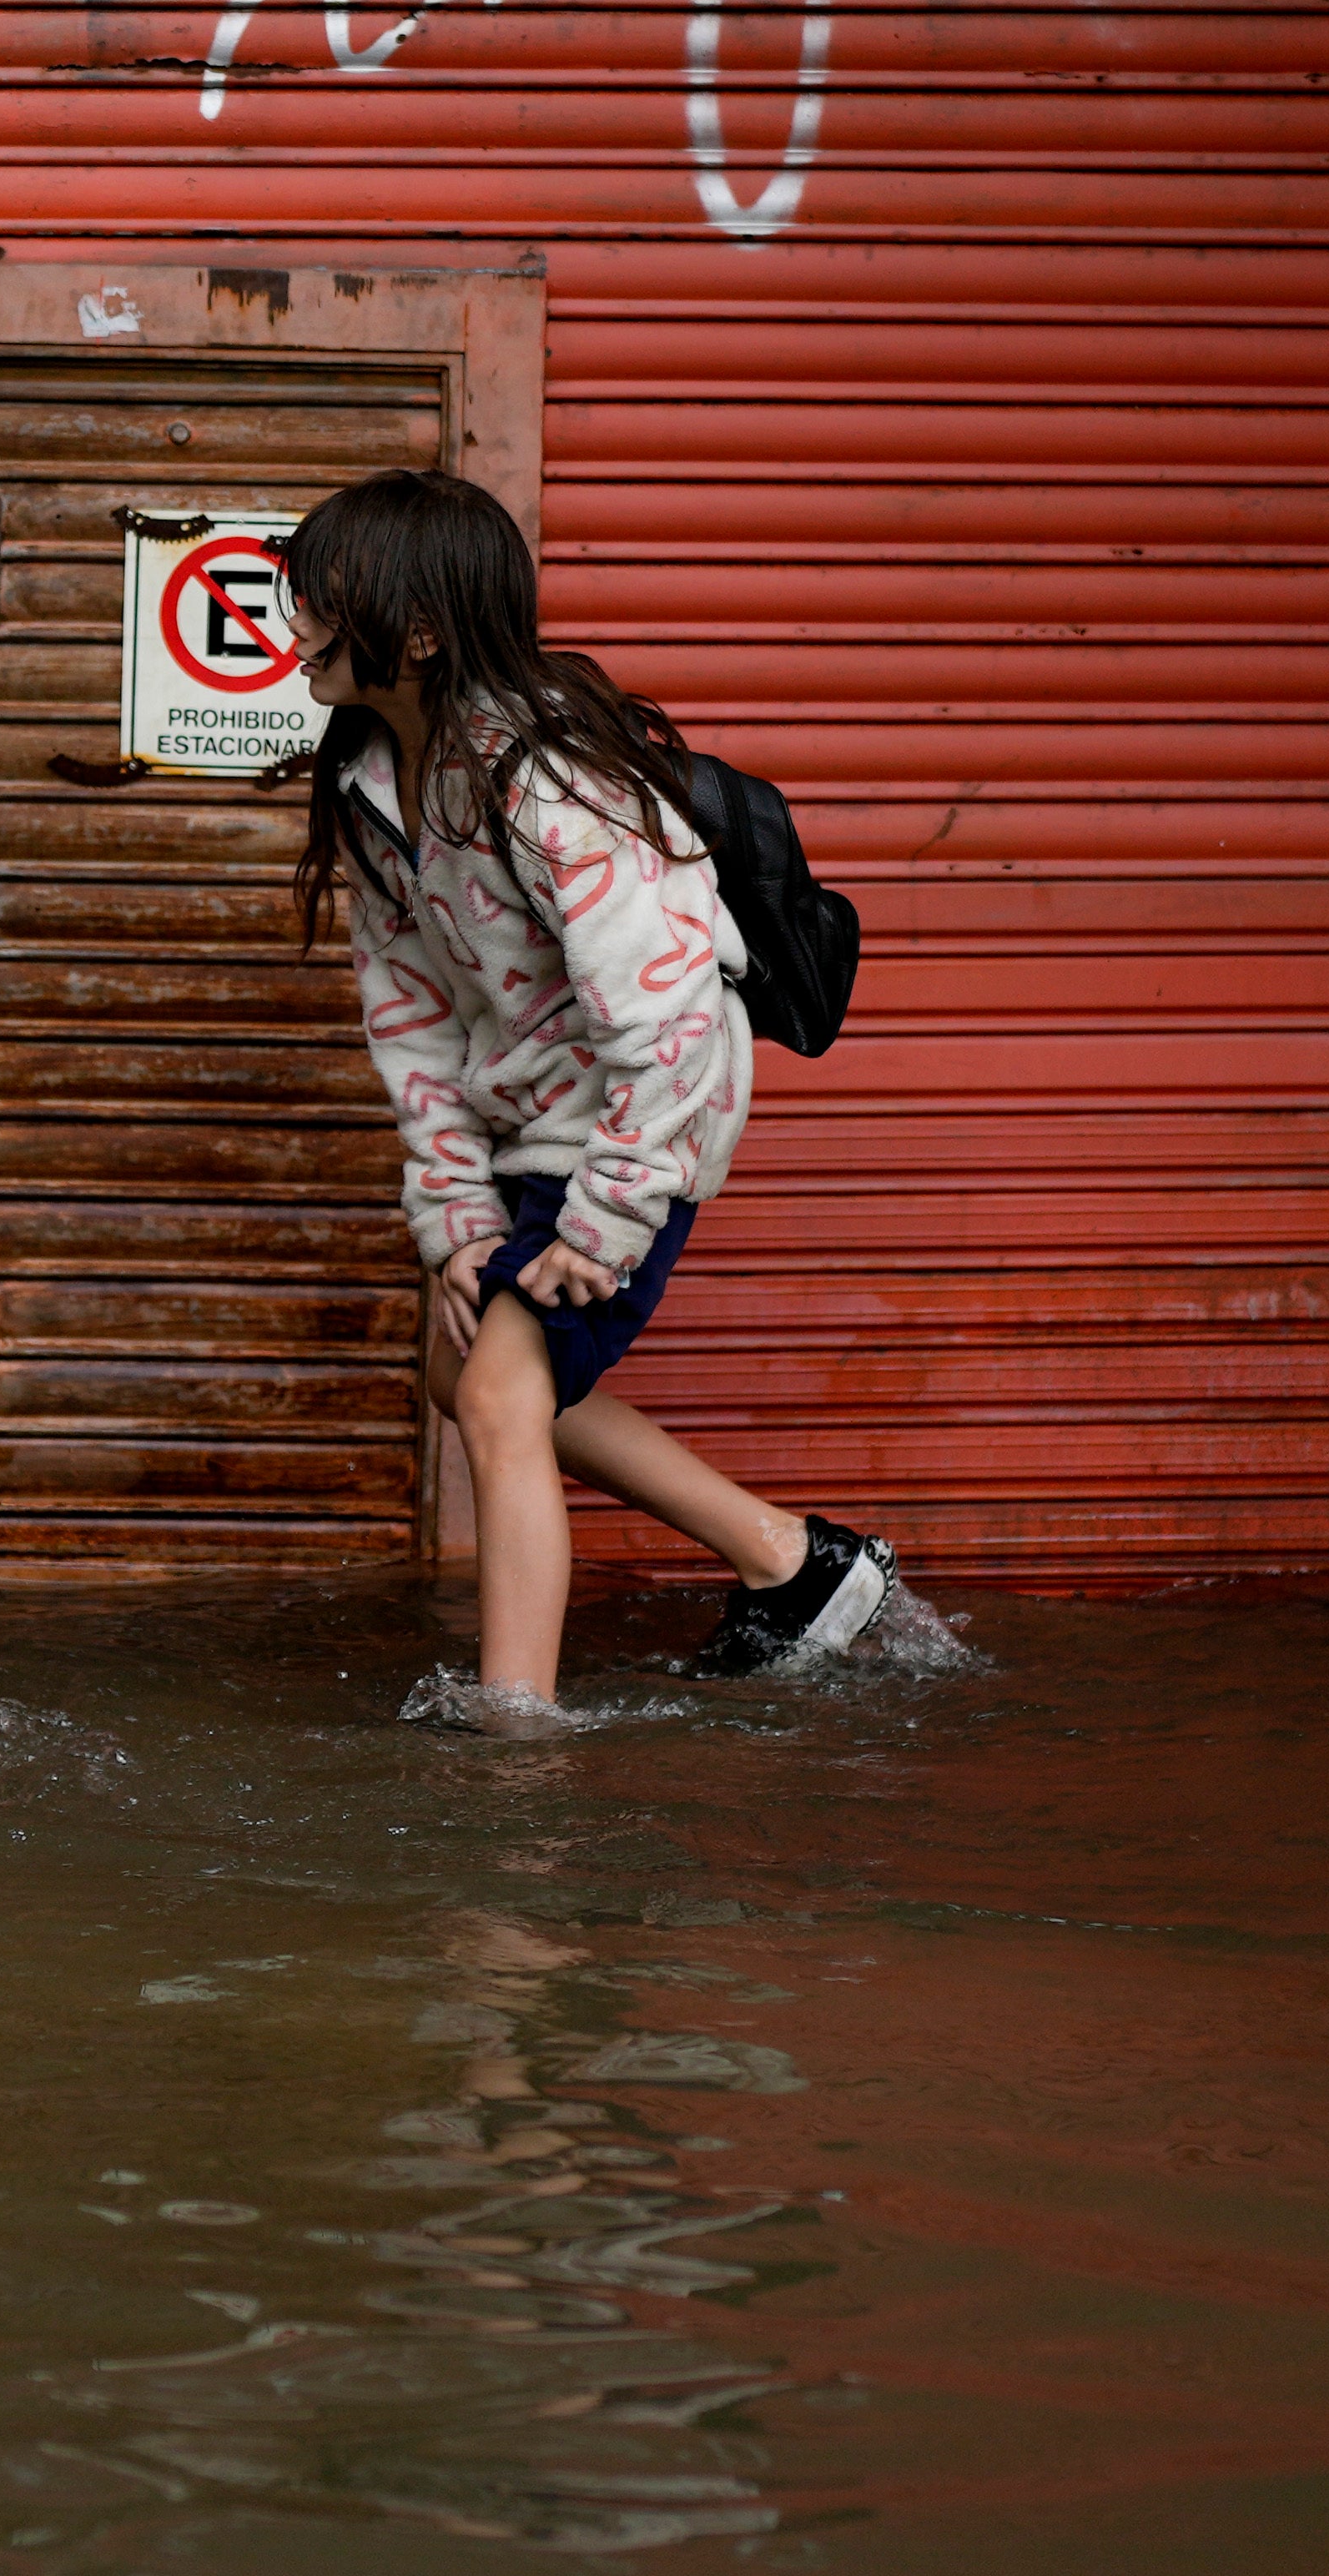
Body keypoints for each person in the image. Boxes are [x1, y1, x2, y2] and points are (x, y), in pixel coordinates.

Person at [281, 468, 899, 1721]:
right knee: (468, 1376)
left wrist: (609, 1214)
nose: (293, 623)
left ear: (418, 630)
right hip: (531, 1119)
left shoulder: (551, 774)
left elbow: (666, 1018)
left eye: (319, 599)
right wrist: (458, 1218)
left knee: (499, 1395)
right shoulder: (370, 780)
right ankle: (793, 1562)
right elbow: (411, 1021)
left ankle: (513, 1728)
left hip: (638, 1118)